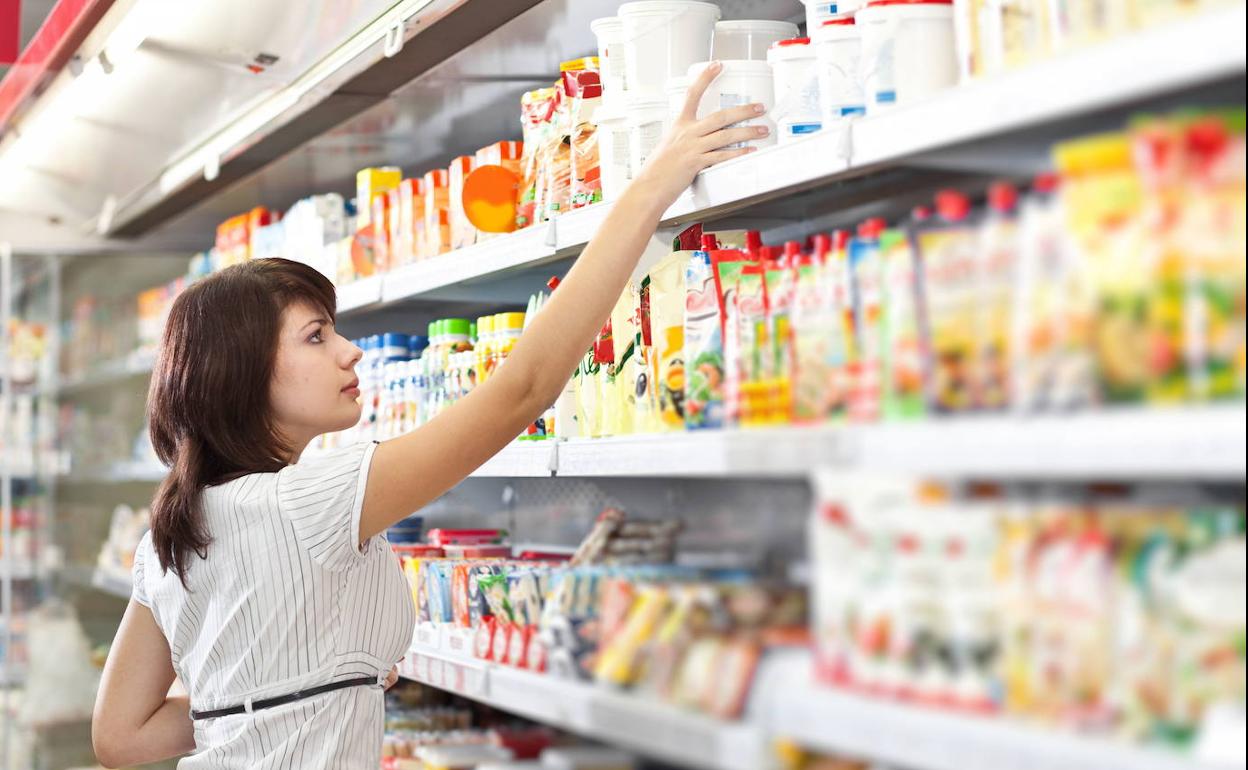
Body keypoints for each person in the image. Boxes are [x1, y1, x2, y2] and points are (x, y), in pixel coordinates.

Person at [91, 61, 765, 769]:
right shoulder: (312, 499)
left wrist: (306, 686)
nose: (350, 353)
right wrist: (654, 183)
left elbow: (121, 738)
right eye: (317, 336)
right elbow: (524, 387)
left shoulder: (173, 529)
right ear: (243, 378)